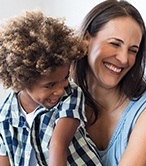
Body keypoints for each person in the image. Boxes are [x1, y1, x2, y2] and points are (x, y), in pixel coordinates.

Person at [71, 0, 146, 165]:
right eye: (115, 44)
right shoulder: (63, 99)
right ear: (86, 40)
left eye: (133, 50)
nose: (124, 59)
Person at [0, 11, 102, 166]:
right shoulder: (5, 115)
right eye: (50, 85)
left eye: (65, 78)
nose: (60, 90)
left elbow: (57, 146)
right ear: (23, 81)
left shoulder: (71, 94)